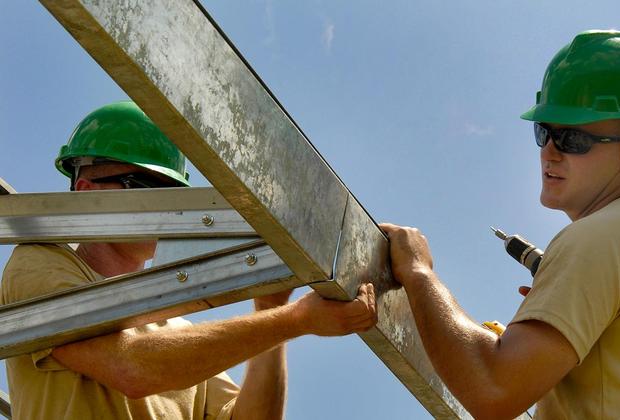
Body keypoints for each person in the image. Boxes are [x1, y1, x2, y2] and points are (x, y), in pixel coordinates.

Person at [381, 30, 620, 419]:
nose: (549, 152)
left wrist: (419, 273)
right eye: (544, 132)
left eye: (572, 138)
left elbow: (493, 391)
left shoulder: (603, 236)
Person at [1, 101, 378, 420]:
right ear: (86, 193)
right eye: (147, 186)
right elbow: (131, 367)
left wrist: (269, 309)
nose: (167, 207)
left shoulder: (175, 328)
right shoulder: (39, 264)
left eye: (173, 193)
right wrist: (294, 320)